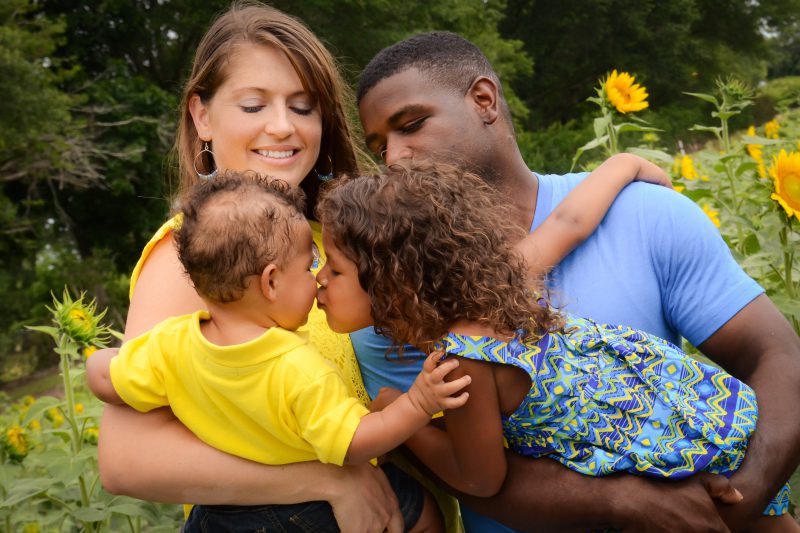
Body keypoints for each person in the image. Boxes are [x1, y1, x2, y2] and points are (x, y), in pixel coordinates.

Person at [353, 31, 800, 532]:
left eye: (411, 125)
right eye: (378, 147)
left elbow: (779, 355)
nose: (393, 158)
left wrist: (740, 500)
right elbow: (470, 472)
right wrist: (625, 502)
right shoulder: (392, 301)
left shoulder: (642, 215)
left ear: (484, 100)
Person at [314, 161, 798, 533]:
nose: (319, 280)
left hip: (669, 466)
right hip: (702, 418)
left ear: (394, 285)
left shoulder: (462, 362)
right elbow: (570, 221)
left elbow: (482, 479)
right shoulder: (502, 282)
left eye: (334, 270)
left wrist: (402, 417)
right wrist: (626, 164)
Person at [96, 4, 412, 532]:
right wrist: (332, 479)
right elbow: (126, 459)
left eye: (303, 106)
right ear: (201, 117)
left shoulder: (329, 240)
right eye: (252, 105)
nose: (283, 127)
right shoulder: (193, 257)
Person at [87, 173, 472, 532]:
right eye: (310, 266)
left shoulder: (172, 343)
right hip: (306, 512)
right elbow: (354, 443)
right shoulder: (297, 368)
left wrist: (99, 362)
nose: (318, 278)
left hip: (215, 514)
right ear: (271, 282)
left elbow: (106, 378)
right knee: (421, 511)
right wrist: (418, 404)